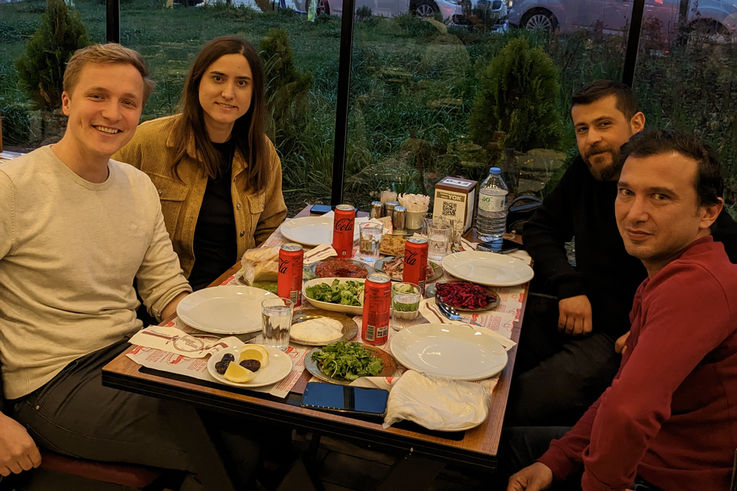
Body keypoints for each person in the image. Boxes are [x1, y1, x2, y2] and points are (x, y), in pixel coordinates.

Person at [0, 43, 253, 489]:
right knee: (235, 448)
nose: (112, 113)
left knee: (257, 416)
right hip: (52, 384)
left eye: (128, 102)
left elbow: (165, 288)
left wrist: (224, 335)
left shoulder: (137, 186)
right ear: (65, 102)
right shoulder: (14, 187)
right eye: (97, 96)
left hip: (130, 355)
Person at [507, 129, 737, 490]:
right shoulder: (664, 277)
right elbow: (619, 397)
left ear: (708, 212)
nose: (635, 214)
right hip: (643, 457)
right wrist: (558, 459)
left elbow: (629, 413)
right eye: (627, 192)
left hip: (663, 476)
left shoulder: (696, 287)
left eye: (660, 197)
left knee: (475, 454)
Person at [114, 35, 287, 291]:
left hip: (234, 293)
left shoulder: (261, 151)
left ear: (254, 93)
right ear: (197, 82)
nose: (228, 93)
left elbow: (271, 231)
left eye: (242, 83)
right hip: (160, 298)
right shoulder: (145, 142)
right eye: (218, 78)